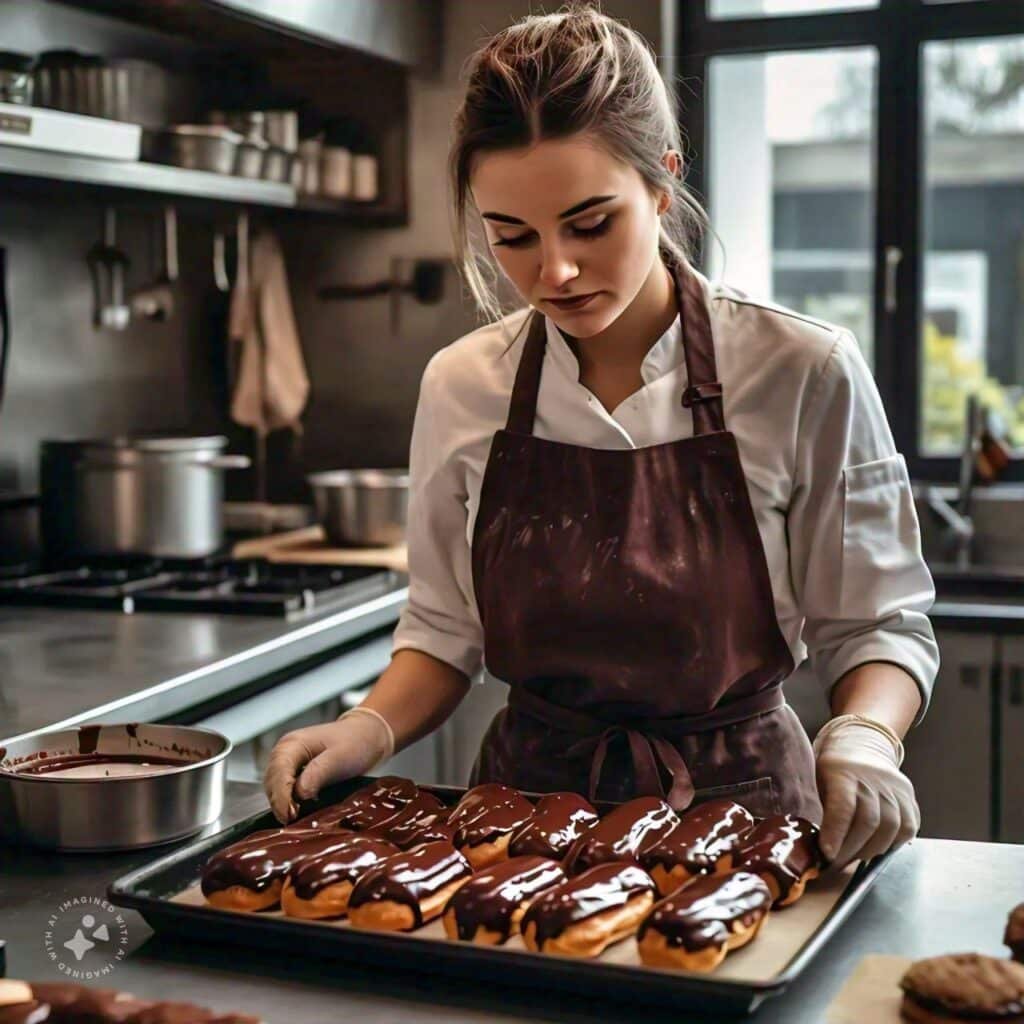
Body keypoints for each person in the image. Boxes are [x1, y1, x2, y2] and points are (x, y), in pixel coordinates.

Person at [265, 3, 938, 871]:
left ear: (663, 180)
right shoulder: (463, 384)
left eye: (591, 223)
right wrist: (365, 728)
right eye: (511, 235)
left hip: (746, 826)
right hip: (514, 829)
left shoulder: (802, 369)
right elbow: (441, 629)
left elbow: (878, 623)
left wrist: (863, 734)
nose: (555, 272)